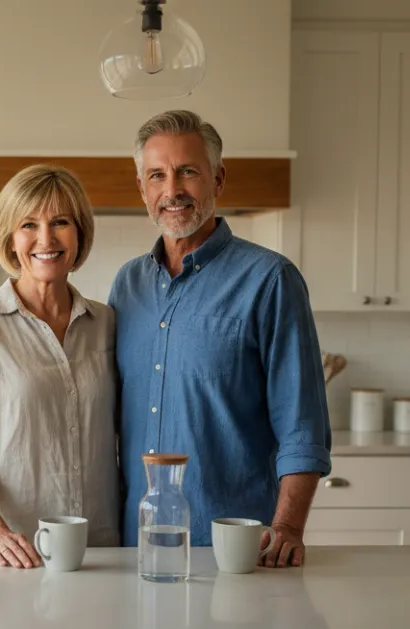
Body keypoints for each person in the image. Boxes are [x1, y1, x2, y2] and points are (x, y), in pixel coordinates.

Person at [108, 110, 331, 569]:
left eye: (187, 171)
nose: (172, 191)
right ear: (142, 188)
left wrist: (288, 528)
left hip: (236, 550)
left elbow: (303, 426)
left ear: (218, 178)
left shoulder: (271, 280)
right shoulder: (126, 286)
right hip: (135, 548)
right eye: (157, 176)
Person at [0, 164, 120, 568]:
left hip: (98, 551)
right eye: (28, 224)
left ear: (79, 233)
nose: (46, 239)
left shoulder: (107, 324)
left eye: (61, 222)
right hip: (10, 553)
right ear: (10, 236)